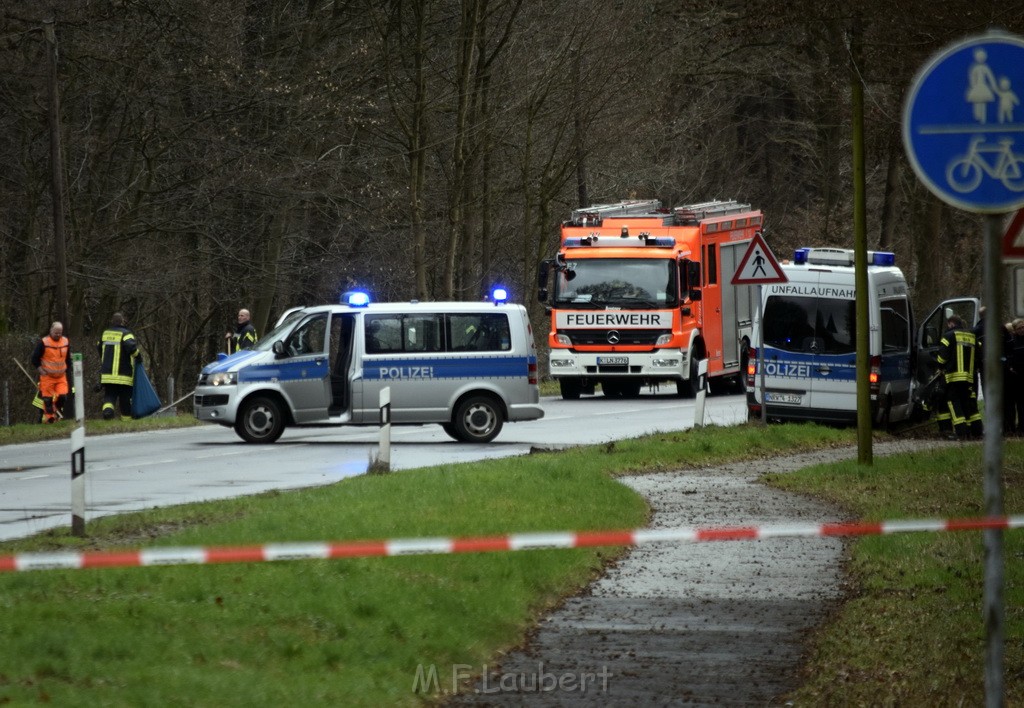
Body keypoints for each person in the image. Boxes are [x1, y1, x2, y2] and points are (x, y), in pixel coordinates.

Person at [934, 315, 983, 440]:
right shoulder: (972, 336)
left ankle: (961, 432)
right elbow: (979, 355)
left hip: (953, 377)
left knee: (953, 402)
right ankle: (974, 431)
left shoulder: (948, 336)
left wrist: (939, 366)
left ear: (951, 323)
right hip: (969, 378)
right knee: (967, 403)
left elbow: (941, 358)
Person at [97, 312, 139, 421]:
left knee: (109, 395)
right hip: (124, 374)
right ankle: (126, 420)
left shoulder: (105, 333)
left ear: (112, 321)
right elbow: (132, 349)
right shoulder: (126, 334)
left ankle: (108, 411)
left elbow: (99, 347)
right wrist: (139, 357)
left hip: (107, 374)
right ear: (122, 321)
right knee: (125, 399)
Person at [30, 321, 72, 424]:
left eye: (60, 332)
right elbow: (34, 358)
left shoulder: (65, 342)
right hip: (47, 376)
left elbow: (68, 359)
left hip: (61, 376)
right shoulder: (44, 342)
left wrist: (67, 369)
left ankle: (55, 412)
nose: (58, 335)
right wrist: (40, 370)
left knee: (63, 396)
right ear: (51, 330)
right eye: (56, 332)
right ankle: (50, 419)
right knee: (47, 400)